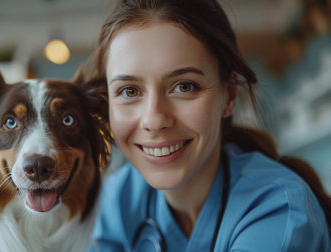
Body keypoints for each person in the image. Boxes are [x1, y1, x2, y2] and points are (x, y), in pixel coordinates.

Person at [85, 0, 331, 251]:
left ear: (230, 96)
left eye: (184, 86)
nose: (154, 120)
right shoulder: (119, 198)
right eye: (129, 91)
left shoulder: (278, 213)